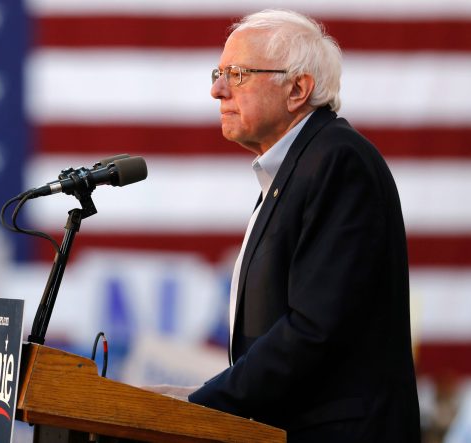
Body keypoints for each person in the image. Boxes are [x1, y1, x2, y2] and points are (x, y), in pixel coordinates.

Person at [153, 9, 421, 442]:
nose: (216, 90)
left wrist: (200, 404)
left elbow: (314, 329)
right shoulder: (297, 167)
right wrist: (194, 399)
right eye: (218, 73)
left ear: (298, 88)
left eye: (236, 74)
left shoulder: (337, 161)